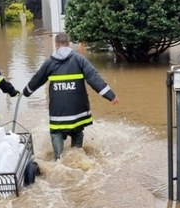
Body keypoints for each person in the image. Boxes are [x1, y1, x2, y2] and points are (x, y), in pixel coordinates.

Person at [22, 32, 119, 160]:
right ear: (69, 44)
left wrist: (26, 92)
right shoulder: (80, 59)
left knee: (56, 132)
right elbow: (94, 78)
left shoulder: (49, 63)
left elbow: (36, 80)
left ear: (56, 44)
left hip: (58, 113)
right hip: (78, 112)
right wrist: (110, 95)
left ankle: (58, 160)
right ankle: (77, 159)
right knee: (77, 132)